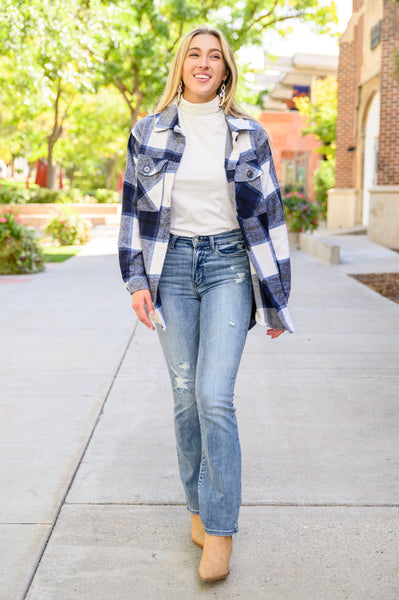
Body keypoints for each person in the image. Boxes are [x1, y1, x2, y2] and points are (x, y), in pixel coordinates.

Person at [118, 25, 294, 582]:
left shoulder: (248, 134)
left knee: (214, 395)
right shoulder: (147, 132)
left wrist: (274, 297)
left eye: (214, 56)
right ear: (181, 64)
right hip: (170, 269)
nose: (204, 62)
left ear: (225, 69)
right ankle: (197, 506)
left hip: (226, 266)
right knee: (183, 395)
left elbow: (270, 216)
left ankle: (219, 531)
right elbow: (131, 212)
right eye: (195, 54)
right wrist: (136, 281)